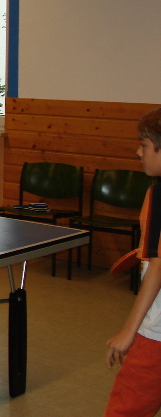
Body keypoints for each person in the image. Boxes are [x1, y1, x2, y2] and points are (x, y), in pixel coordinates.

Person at [102, 107, 161, 417]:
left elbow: (160, 265)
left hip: (156, 334)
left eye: (144, 144)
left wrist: (129, 330)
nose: (139, 152)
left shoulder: (159, 194)